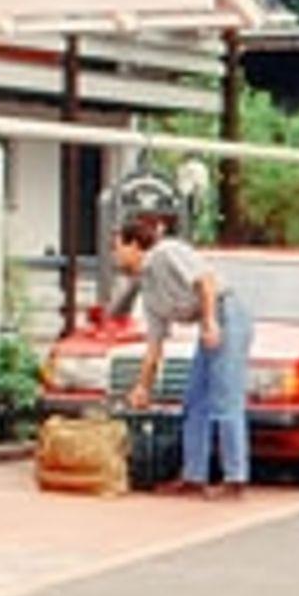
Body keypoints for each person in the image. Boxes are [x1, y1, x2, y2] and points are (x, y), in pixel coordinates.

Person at [115, 213, 251, 498]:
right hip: (207, 318)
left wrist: (211, 322)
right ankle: (193, 476)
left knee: (224, 395)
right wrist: (143, 387)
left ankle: (235, 477)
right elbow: (155, 345)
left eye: (118, 247)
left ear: (135, 245)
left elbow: (206, 281)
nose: (115, 255)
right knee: (195, 399)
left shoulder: (167, 252)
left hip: (225, 312)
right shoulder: (148, 288)